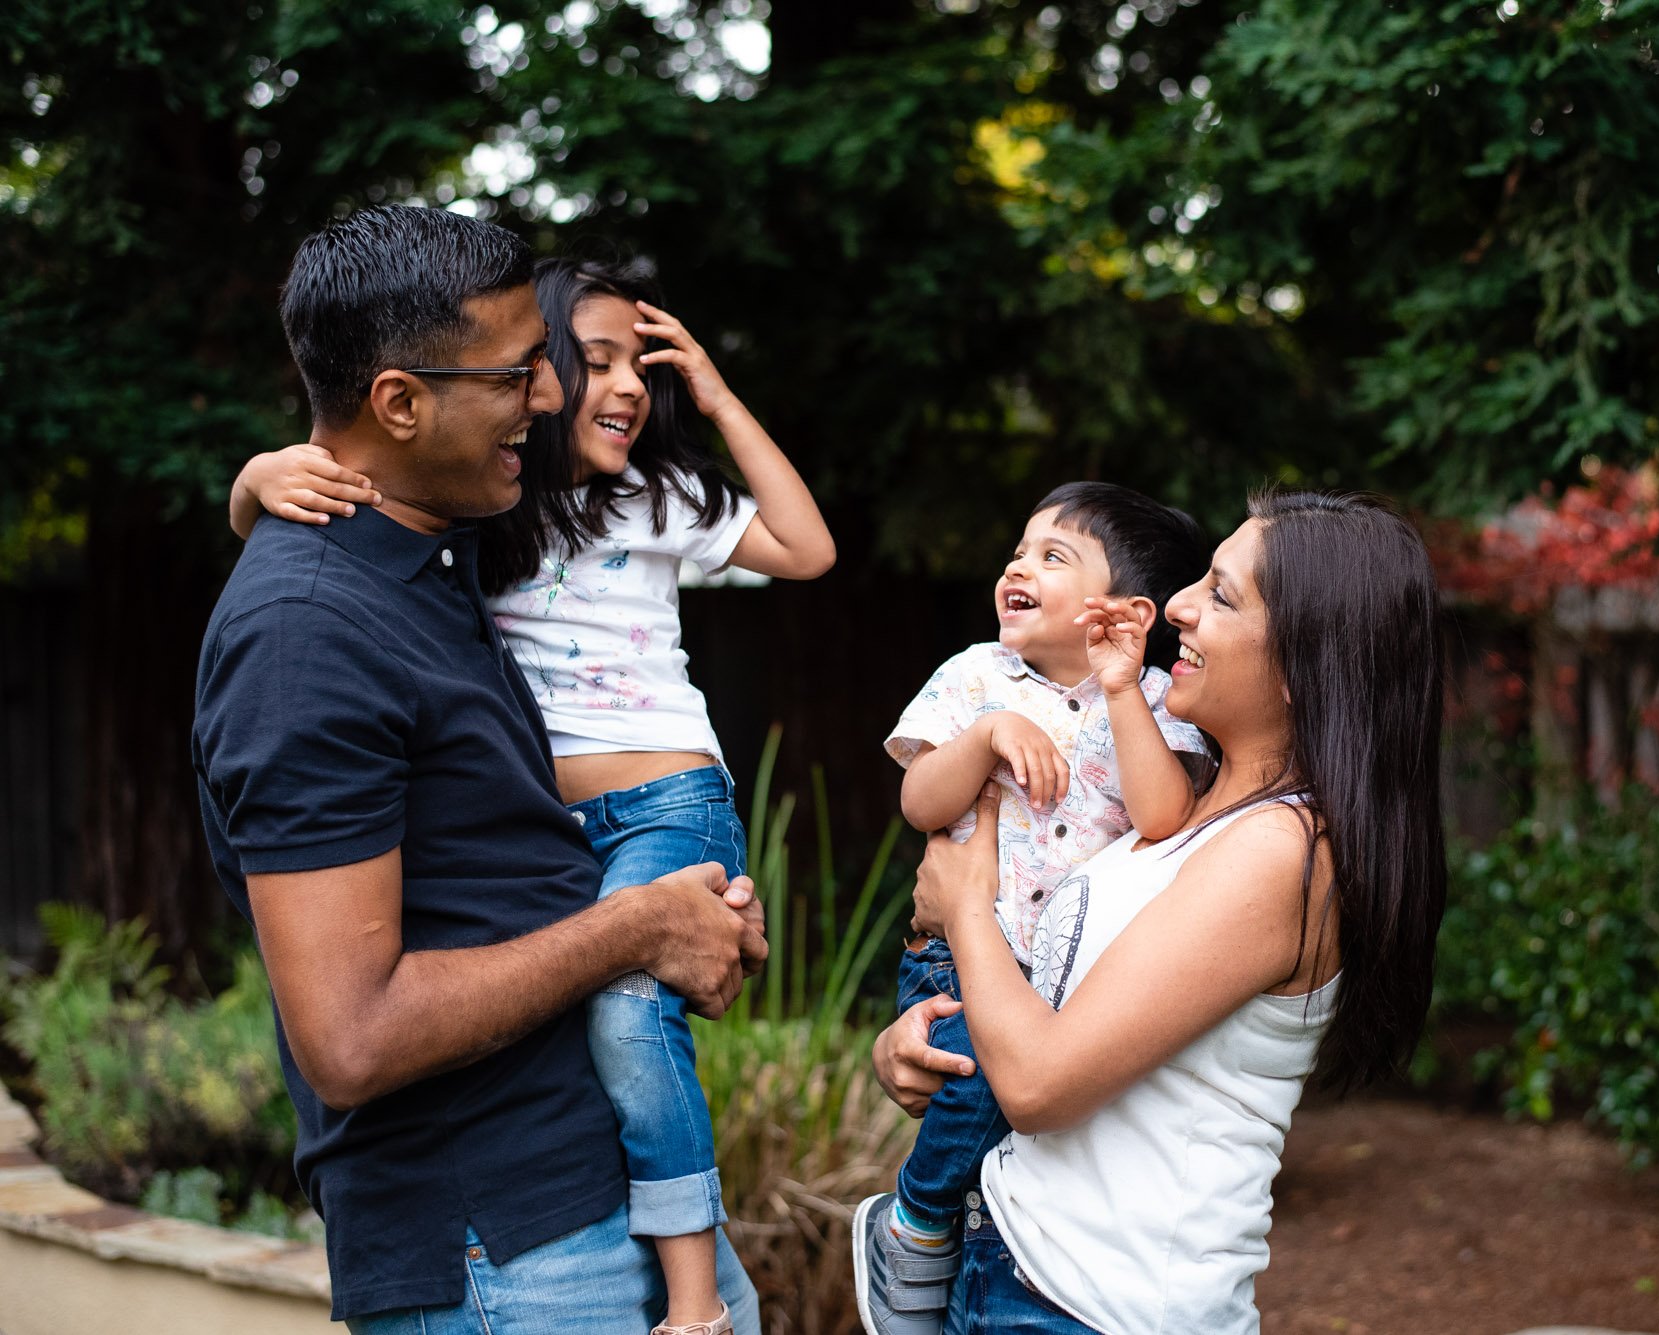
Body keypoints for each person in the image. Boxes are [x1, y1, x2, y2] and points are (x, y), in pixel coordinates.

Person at [230, 255, 835, 1335]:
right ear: (403, 402)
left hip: (581, 1196)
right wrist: (642, 926)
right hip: (501, 1248)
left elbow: (803, 547)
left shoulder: (451, 548)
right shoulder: (315, 624)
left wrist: (685, 921)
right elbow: (351, 1039)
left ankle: (694, 1279)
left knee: (635, 1009)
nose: (556, 394)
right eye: (531, 371)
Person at [872, 490, 1448, 1334]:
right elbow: (1056, 1009)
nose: (1176, 605)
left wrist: (965, 908)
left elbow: (1037, 1082)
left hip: (1099, 1308)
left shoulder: (1281, 853)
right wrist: (919, 1037)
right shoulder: (1186, 812)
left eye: (1219, 595)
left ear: (1300, 666)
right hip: (1022, 1272)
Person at [853, 482, 1215, 1335]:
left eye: (1053, 556)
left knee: (1025, 1115)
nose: (1019, 564)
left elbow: (1162, 816)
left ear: (1124, 613)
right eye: (1020, 550)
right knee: (982, 1069)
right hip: (964, 955)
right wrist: (983, 739)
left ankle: (954, 1247)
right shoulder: (976, 675)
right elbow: (917, 801)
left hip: (1077, 975)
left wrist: (1123, 688)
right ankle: (915, 1224)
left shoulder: (1160, 698)